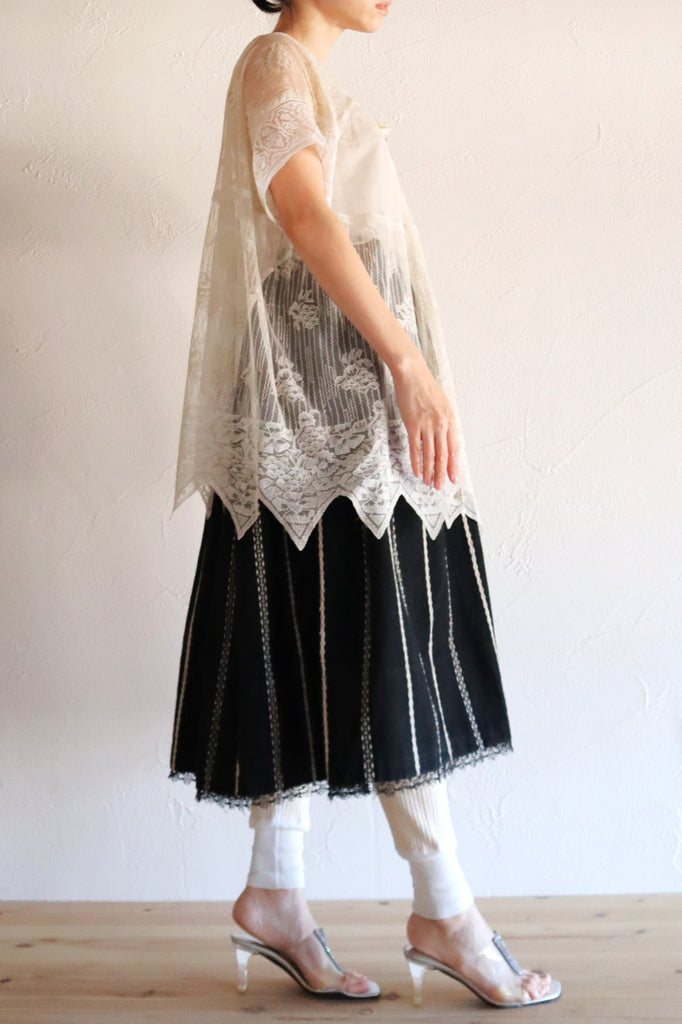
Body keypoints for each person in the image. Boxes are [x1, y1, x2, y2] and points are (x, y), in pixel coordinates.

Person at [167, 0, 561, 1009]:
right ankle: (445, 909)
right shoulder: (275, 62)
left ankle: (275, 887)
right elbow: (303, 213)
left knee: (322, 635)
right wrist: (406, 363)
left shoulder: (307, 80)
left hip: (331, 410)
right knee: (382, 642)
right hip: (320, 415)